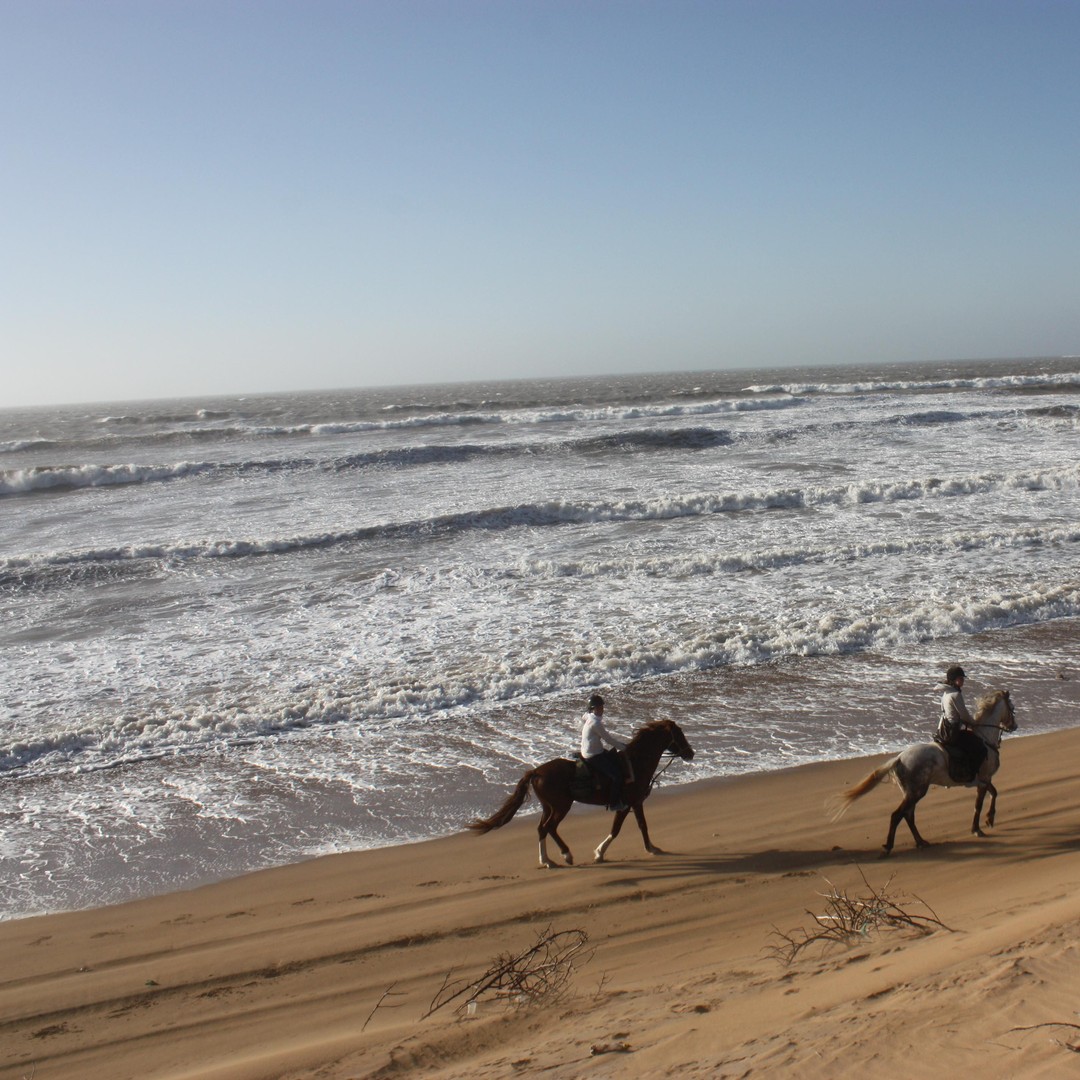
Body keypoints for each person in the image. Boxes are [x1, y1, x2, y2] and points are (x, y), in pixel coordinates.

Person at [934, 665, 987, 782]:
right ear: (953, 679)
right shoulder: (956, 695)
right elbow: (964, 715)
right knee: (979, 747)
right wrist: (975, 724)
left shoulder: (946, 693)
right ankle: (971, 775)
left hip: (942, 729)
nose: (963, 680)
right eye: (960, 678)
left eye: (963, 678)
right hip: (952, 732)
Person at [580, 693, 629, 811]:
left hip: (593, 750)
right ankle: (614, 804)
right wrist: (624, 748)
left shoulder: (589, 716)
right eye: (599, 708)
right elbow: (608, 739)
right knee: (617, 776)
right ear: (593, 709)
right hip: (593, 755)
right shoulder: (595, 723)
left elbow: (583, 717)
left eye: (602, 707)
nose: (602, 710)